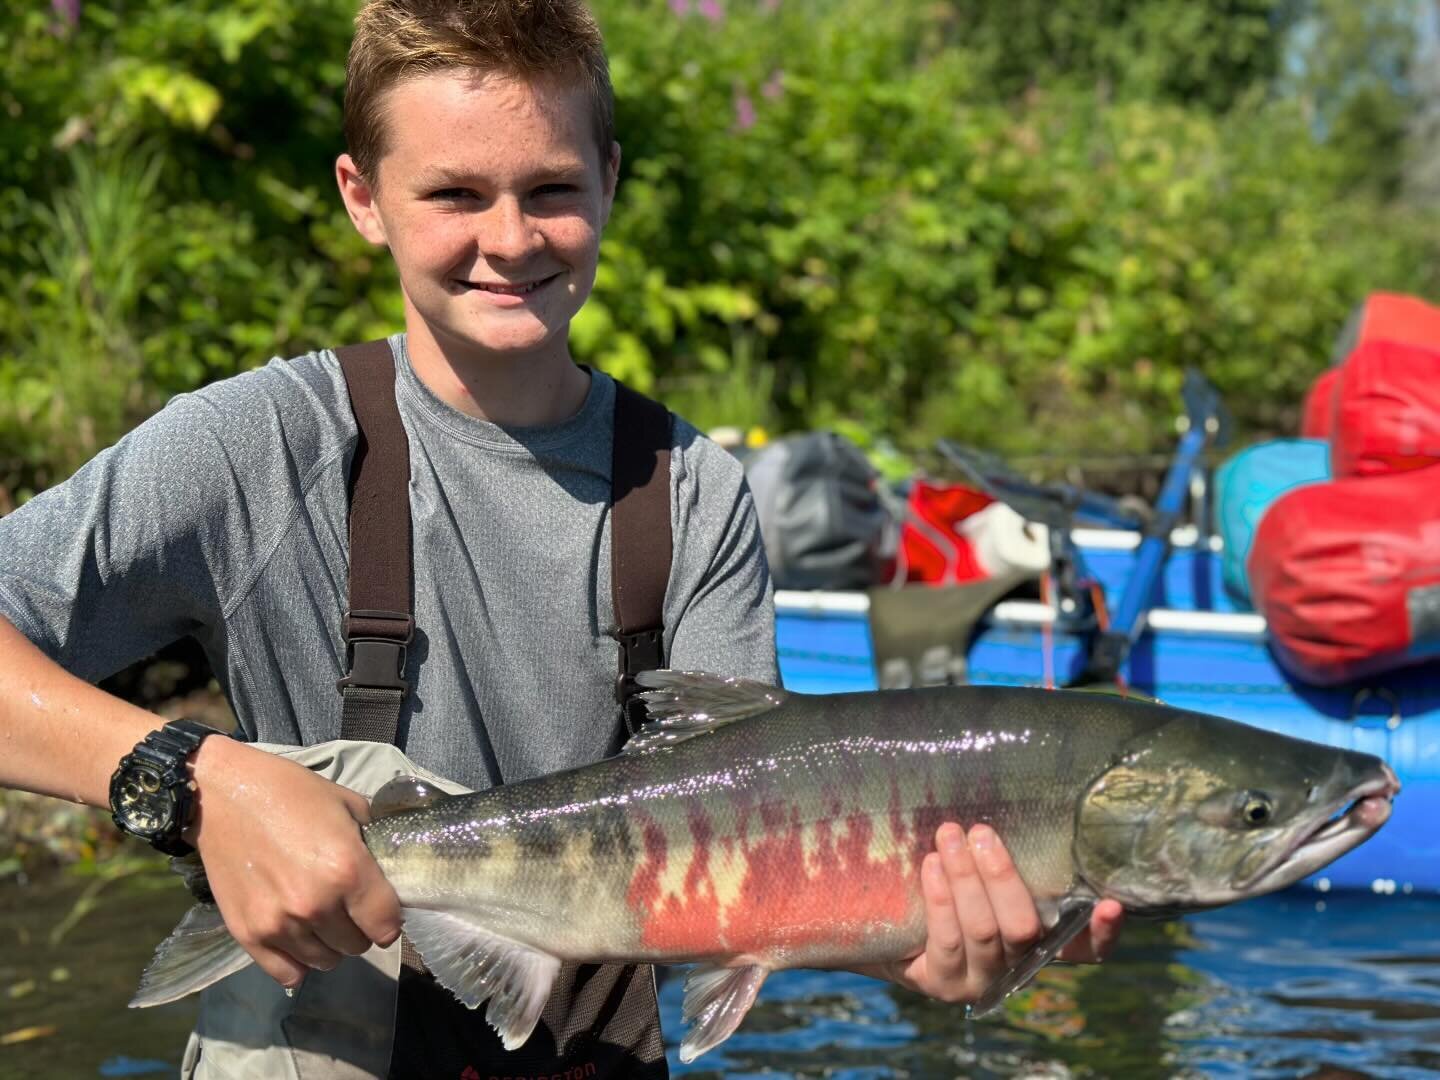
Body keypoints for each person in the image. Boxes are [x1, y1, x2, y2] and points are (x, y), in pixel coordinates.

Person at [0, 0, 1124, 1076]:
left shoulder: (692, 493)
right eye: (453, 192)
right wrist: (188, 777)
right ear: (362, 195)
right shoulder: (256, 449)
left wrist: (924, 938)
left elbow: (747, 860)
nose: (509, 239)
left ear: (611, 182)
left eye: (550, 188)